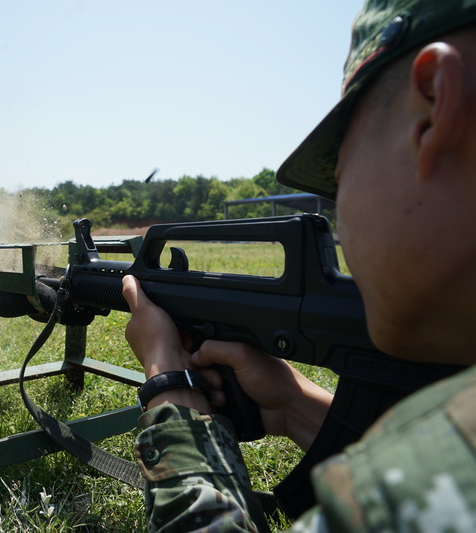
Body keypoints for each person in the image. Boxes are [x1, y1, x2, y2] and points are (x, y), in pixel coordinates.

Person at [121, 0, 476, 530]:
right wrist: (293, 405)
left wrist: (168, 383)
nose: (340, 208)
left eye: (337, 172)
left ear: (433, 108)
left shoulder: (415, 487)